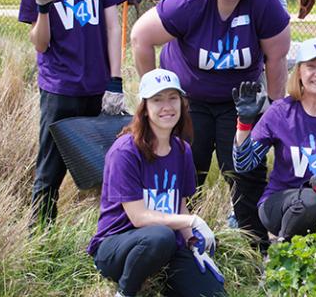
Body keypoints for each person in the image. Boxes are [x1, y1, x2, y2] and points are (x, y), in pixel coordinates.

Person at [130, 0, 290, 250]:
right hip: (191, 98)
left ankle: (254, 245)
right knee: (190, 163)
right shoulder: (189, 1)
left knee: (245, 167)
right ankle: (185, 240)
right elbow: (140, 37)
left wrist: (275, 110)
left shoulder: (263, 1)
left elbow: (277, 58)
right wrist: (154, 94)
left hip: (240, 100)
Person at [18, 0, 130, 226]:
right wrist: (43, 7)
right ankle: (41, 242)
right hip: (60, 89)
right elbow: (39, 44)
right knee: (49, 172)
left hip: (99, 88)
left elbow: (113, 27)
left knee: (110, 168)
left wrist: (115, 82)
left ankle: (109, 236)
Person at [88, 69, 225, 297]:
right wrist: (192, 219)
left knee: (211, 292)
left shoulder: (182, 150)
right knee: (159, 236)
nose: (167, 107)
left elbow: (178, 205)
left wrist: (192, 240)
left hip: (167, 244)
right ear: (144, 107)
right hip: (117, 247)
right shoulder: (125, 151)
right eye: (157, 99)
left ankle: (167, 282)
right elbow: (139, 217)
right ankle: (125, 292)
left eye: (173, 98)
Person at [232, 38, 316, 241]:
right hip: (281, 203)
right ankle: (282, 251)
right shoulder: (280, 112)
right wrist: (244, 123)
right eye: (311, 66)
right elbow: (243, 164)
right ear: (299, 72)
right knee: (312, 201)